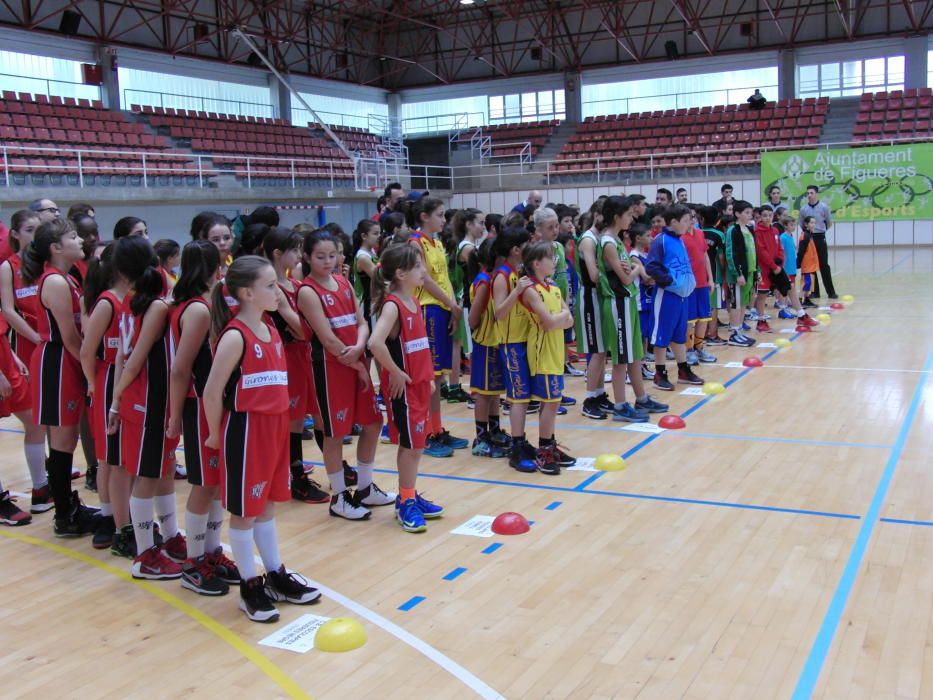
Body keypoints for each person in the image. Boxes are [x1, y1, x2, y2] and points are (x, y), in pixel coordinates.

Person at [203, 256, 321, 622]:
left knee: (268, 506)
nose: (279, 290)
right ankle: (249, 586)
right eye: (271, 286)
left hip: (274, 428)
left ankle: (275, 575)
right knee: (244, 513)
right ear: (247, 293)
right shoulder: (236, 335)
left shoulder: (270, 326)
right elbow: (211, 392)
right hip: (245, 430)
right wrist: (212, 435)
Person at [298, 230, 394, 521]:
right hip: (330, 367)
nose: (329, 261)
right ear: (307, 257)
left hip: (355, 359)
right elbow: (326, 338)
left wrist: (359, 346)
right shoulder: (307, 291)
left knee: (374, 422)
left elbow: (361, 321)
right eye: (320, 256)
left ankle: (364, 488)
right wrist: (354, 360)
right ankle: (339, 497)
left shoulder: (343, 282)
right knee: (335, 433)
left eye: (333, 255)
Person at [107, 237, 185, 579]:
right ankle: (144, 554)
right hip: (146, 401)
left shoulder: (135, 300)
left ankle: (169, 537)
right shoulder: (153, 307)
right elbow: (134, 359)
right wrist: (117, 400)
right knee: (148, 476)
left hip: (154, 399)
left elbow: (125, 355)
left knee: (163, 470)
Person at [166, 241, 241, 594]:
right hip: (198, 406)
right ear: (217, 266)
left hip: (214, 405)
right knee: (203, 484)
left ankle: (210, 552)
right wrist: (175, 415)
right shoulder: (197, 310)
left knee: (214, 484)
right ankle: (194, 561)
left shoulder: (207, 302)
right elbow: (180, 369)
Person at [25, 218, 100, 535]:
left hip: (66, 359)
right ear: (56, 247)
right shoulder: (54, 281)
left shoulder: (67, 278)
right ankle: (64, 515)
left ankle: (67, 506)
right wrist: (90, 370)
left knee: (66, 440)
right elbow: (69, 337)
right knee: (63, 441)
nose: (81, 240)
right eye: (73, 237)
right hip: (57, 361)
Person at [367, 245, 445, 532]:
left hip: (420, 384)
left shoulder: (413, 301)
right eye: (419, 266)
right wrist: (395, 372)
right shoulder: (392, 305)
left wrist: (428, 377)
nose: (424, 271)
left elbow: (417, 346)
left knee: (416, 445)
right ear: (401, 273)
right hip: (406, 390)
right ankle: (405, 502)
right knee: (411, 446)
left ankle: (407, 494)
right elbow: (374, 343)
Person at [262, 228, 329, 505]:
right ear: (278, 254)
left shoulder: (296, 285)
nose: (299, 255)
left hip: (305, 356)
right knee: (294, 421)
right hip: (286, 357)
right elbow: (303, 330)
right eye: (294, 249)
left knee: (318, 413)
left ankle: (335, 466)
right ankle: (296, 476)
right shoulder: (271, 288)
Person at [598, 196, 667, 420]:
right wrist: (636, 268)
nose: (632, 217)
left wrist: (631, 268)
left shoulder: (616, 241)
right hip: (618, 303)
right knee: (621, 359)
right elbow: (626, 279)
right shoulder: (607, 242)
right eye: (628, 214)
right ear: (617, 216)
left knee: (635, 355)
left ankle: (642, 398)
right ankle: (619, 406)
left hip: (628, 303)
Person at [0, 210, 50, 514]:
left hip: (16, 352)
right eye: (30, 229)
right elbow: (8, 311)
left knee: (36, 421)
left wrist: (11, 356)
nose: (35, 234)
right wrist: (33, 338)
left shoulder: (46, 266)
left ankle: (42, 487)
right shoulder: (9, 267)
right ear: (15, 234)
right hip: (29, 343)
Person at [409, 197, 468, 456]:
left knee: (439, 375)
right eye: (440, 215)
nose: (444, 220)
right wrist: (448, 304)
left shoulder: (438, 242)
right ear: (424, 216)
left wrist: (454, 308)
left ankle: (437, 428)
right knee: (429, 377)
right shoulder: (415, 242)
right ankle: (424, 434)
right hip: (429, 309)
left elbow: (444, 278)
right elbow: (424, 280)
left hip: (444, 308)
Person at [79, 244, 128, 551]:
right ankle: (107, 518)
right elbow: (86, 350)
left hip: (126, 377)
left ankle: (122, 517)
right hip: (108, 377)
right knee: (107, 457)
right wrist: (92, 384)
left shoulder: (133, 299)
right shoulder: (107, 302)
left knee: (121, 456)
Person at [519, 241, 575, 475]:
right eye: (551, 258)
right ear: (537, 263)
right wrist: (559, 316)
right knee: (550, 402)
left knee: (553, 401)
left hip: (555, 349)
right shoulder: (531, 290)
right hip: (541, 351)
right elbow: (550, 322)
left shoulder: (554, 287)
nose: (555, 261)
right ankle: (544, 450)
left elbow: (569, 320)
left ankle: (549, 444)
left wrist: (558, 317)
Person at [492, 227, 538, 472]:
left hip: (524, 340)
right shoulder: (502, 275)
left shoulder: (517, 271)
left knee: (525, 396)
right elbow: (499, 313)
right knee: (518, 396)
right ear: (515, 249)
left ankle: (521, 440)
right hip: (510, 344)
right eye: (527, 243)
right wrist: (518, 291)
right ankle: (516, 446)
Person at [646, 204, 703, 390]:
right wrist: (670, 281)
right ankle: (659, 374)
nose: (689, 224)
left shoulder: (680, 240)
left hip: (682, 296)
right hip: (667, 295)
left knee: (680, 336)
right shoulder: (660, 240)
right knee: (662, 335)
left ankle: (683, 370)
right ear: (673, 222)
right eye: (686, 220)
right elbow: (652, 267)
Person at [467, 239, 510, 458]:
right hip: (484, 342)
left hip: (496, 341)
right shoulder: (484, 281)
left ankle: (494, 431)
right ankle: (480, 438)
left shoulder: (494, 279)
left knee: (494, 392)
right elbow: (473, 318)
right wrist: (480, 332)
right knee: (483, 394)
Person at [533, 207, 578, 404]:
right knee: (543, 353)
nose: (555, 230)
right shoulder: (534, 250)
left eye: (556, 226)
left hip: (559, 303)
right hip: (542, 306)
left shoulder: (558, 248)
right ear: (538, 230)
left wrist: (566, 304)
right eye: (550, 227)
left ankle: (557, 391)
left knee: (559, 350)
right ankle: (540, 396)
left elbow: (562, 279)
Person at [575, 200, 612, 420]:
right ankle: (588, 399)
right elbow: (594, 275)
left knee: (602, 350)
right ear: (598, 214)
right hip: (589, 297)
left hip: (600, 297)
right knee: (596, 351)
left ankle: (598, 394)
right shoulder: (588, 239)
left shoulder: (600, 238)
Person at [682, 210, 717, 364]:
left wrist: (711, 278)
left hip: (703, 282)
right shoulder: (679, 237)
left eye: (693, 217)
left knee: (704, 317)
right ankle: (688, 350)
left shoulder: (700, 233)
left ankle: (699, 348)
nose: (692, 219)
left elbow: (705, 256)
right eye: (689, 217)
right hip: (688, 284)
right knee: (689, 319)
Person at [724, 201, 758, 347]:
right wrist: (737, 273)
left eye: (750, 213)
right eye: (747, 213)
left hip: (750, 272)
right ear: (737, 214)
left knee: (744, 302)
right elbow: (731, 253)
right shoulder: (733, 230)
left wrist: (757, 271)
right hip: (739, 274)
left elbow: (754, 251)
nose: (750, 216)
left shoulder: (750, 229)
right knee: (736, 303)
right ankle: (734, 333)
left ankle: (740, 330)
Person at [796, 185, 837, 299]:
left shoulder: (824, 207)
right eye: (807, 193)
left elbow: (829, 223)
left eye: (811, 193)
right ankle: (814, 292)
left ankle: (831, 292)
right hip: (809, 238)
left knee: (824, 265)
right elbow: (801, 223)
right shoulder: (803, 209)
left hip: (820, 238)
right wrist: (809, 234)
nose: (809, 195)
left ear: (817, 194)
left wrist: (820, 232)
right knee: (810, 266)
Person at [699, 206, 728, 346]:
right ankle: (712, 334)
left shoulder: (697, 233)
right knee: (714, 306)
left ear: (702, 219)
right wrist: (724, 273)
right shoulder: (719, 234)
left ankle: (702, 334)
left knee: (703, 305)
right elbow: (722, 256)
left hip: (699, 275)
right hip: (714, 275)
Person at [798, 216, 820, 308]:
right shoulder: (805, 236)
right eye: (811, 223)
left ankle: (806, 299)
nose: (813, 224)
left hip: (811, 264)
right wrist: (799, 262)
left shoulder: (810, 234)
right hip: (806, 264)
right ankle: (799, 301)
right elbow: (801, 251)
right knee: (806, 282)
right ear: (806, 224)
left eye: (814, 222)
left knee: (810, 283)